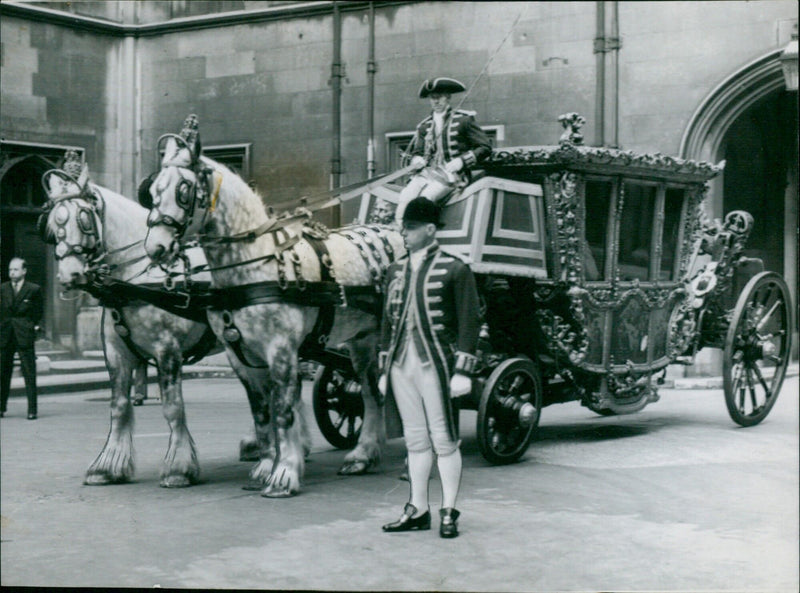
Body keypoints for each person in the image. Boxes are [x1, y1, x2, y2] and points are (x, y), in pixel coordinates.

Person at [378, 197, 481, 538]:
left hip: (437, 366)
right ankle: (418, 508)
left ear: (430, 230)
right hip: (400, 364)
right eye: (403, 228)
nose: (403, 235)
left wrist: (463, 370)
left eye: (409, 229)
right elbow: (386, 323)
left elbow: (470, 322)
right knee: (416, 441)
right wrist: (383, 369)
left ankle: (449, 509)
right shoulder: (395, 270)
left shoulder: (455, 269)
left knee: (445, 441)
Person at [395, 77, 492, 223]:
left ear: (448, 97)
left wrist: (461, 161)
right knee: (405, 195)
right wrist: (417, 160)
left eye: (439, 97)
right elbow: (417, 153)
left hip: (454, 176)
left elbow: (485, 147)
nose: (436, 102)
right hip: (428, 173)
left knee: (426, 198)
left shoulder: (463, 120)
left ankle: (422, 235)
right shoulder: (424, 126)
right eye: (432, 98)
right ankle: (401, 233)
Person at [1, 258, 44, 419]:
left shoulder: (33, 289)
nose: (12, 273)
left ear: (24, 271)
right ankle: (1, 407)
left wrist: (31, 326)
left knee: (29, 373)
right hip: (5, 335)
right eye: (10, 270)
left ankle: (32, 410)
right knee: (2, 373)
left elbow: (38, 312)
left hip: (24, 335)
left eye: (16, 270)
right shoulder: (3, 288)